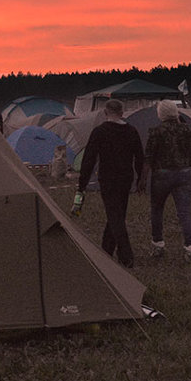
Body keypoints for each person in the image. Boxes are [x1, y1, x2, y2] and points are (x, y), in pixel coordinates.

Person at [75, 99, 144, 268]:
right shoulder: (131, 131)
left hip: (108, 179)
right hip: (126, 179)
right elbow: (140, 157)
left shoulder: (99, 132)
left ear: (106, 113)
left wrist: (82, 184)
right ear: (122, 113)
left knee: (115, 216)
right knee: (117, 214)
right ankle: (106, 251)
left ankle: (126, 256)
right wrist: (140, 177)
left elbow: (89, 159)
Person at [144, 100, 191, 260]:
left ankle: (158, 245)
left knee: (157, 210)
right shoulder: (186, 130)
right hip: (184, 174)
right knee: (184, 212)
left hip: (161, 175)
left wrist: (142, 180)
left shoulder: (156, 131)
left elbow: (148, 158)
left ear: (160, 114)